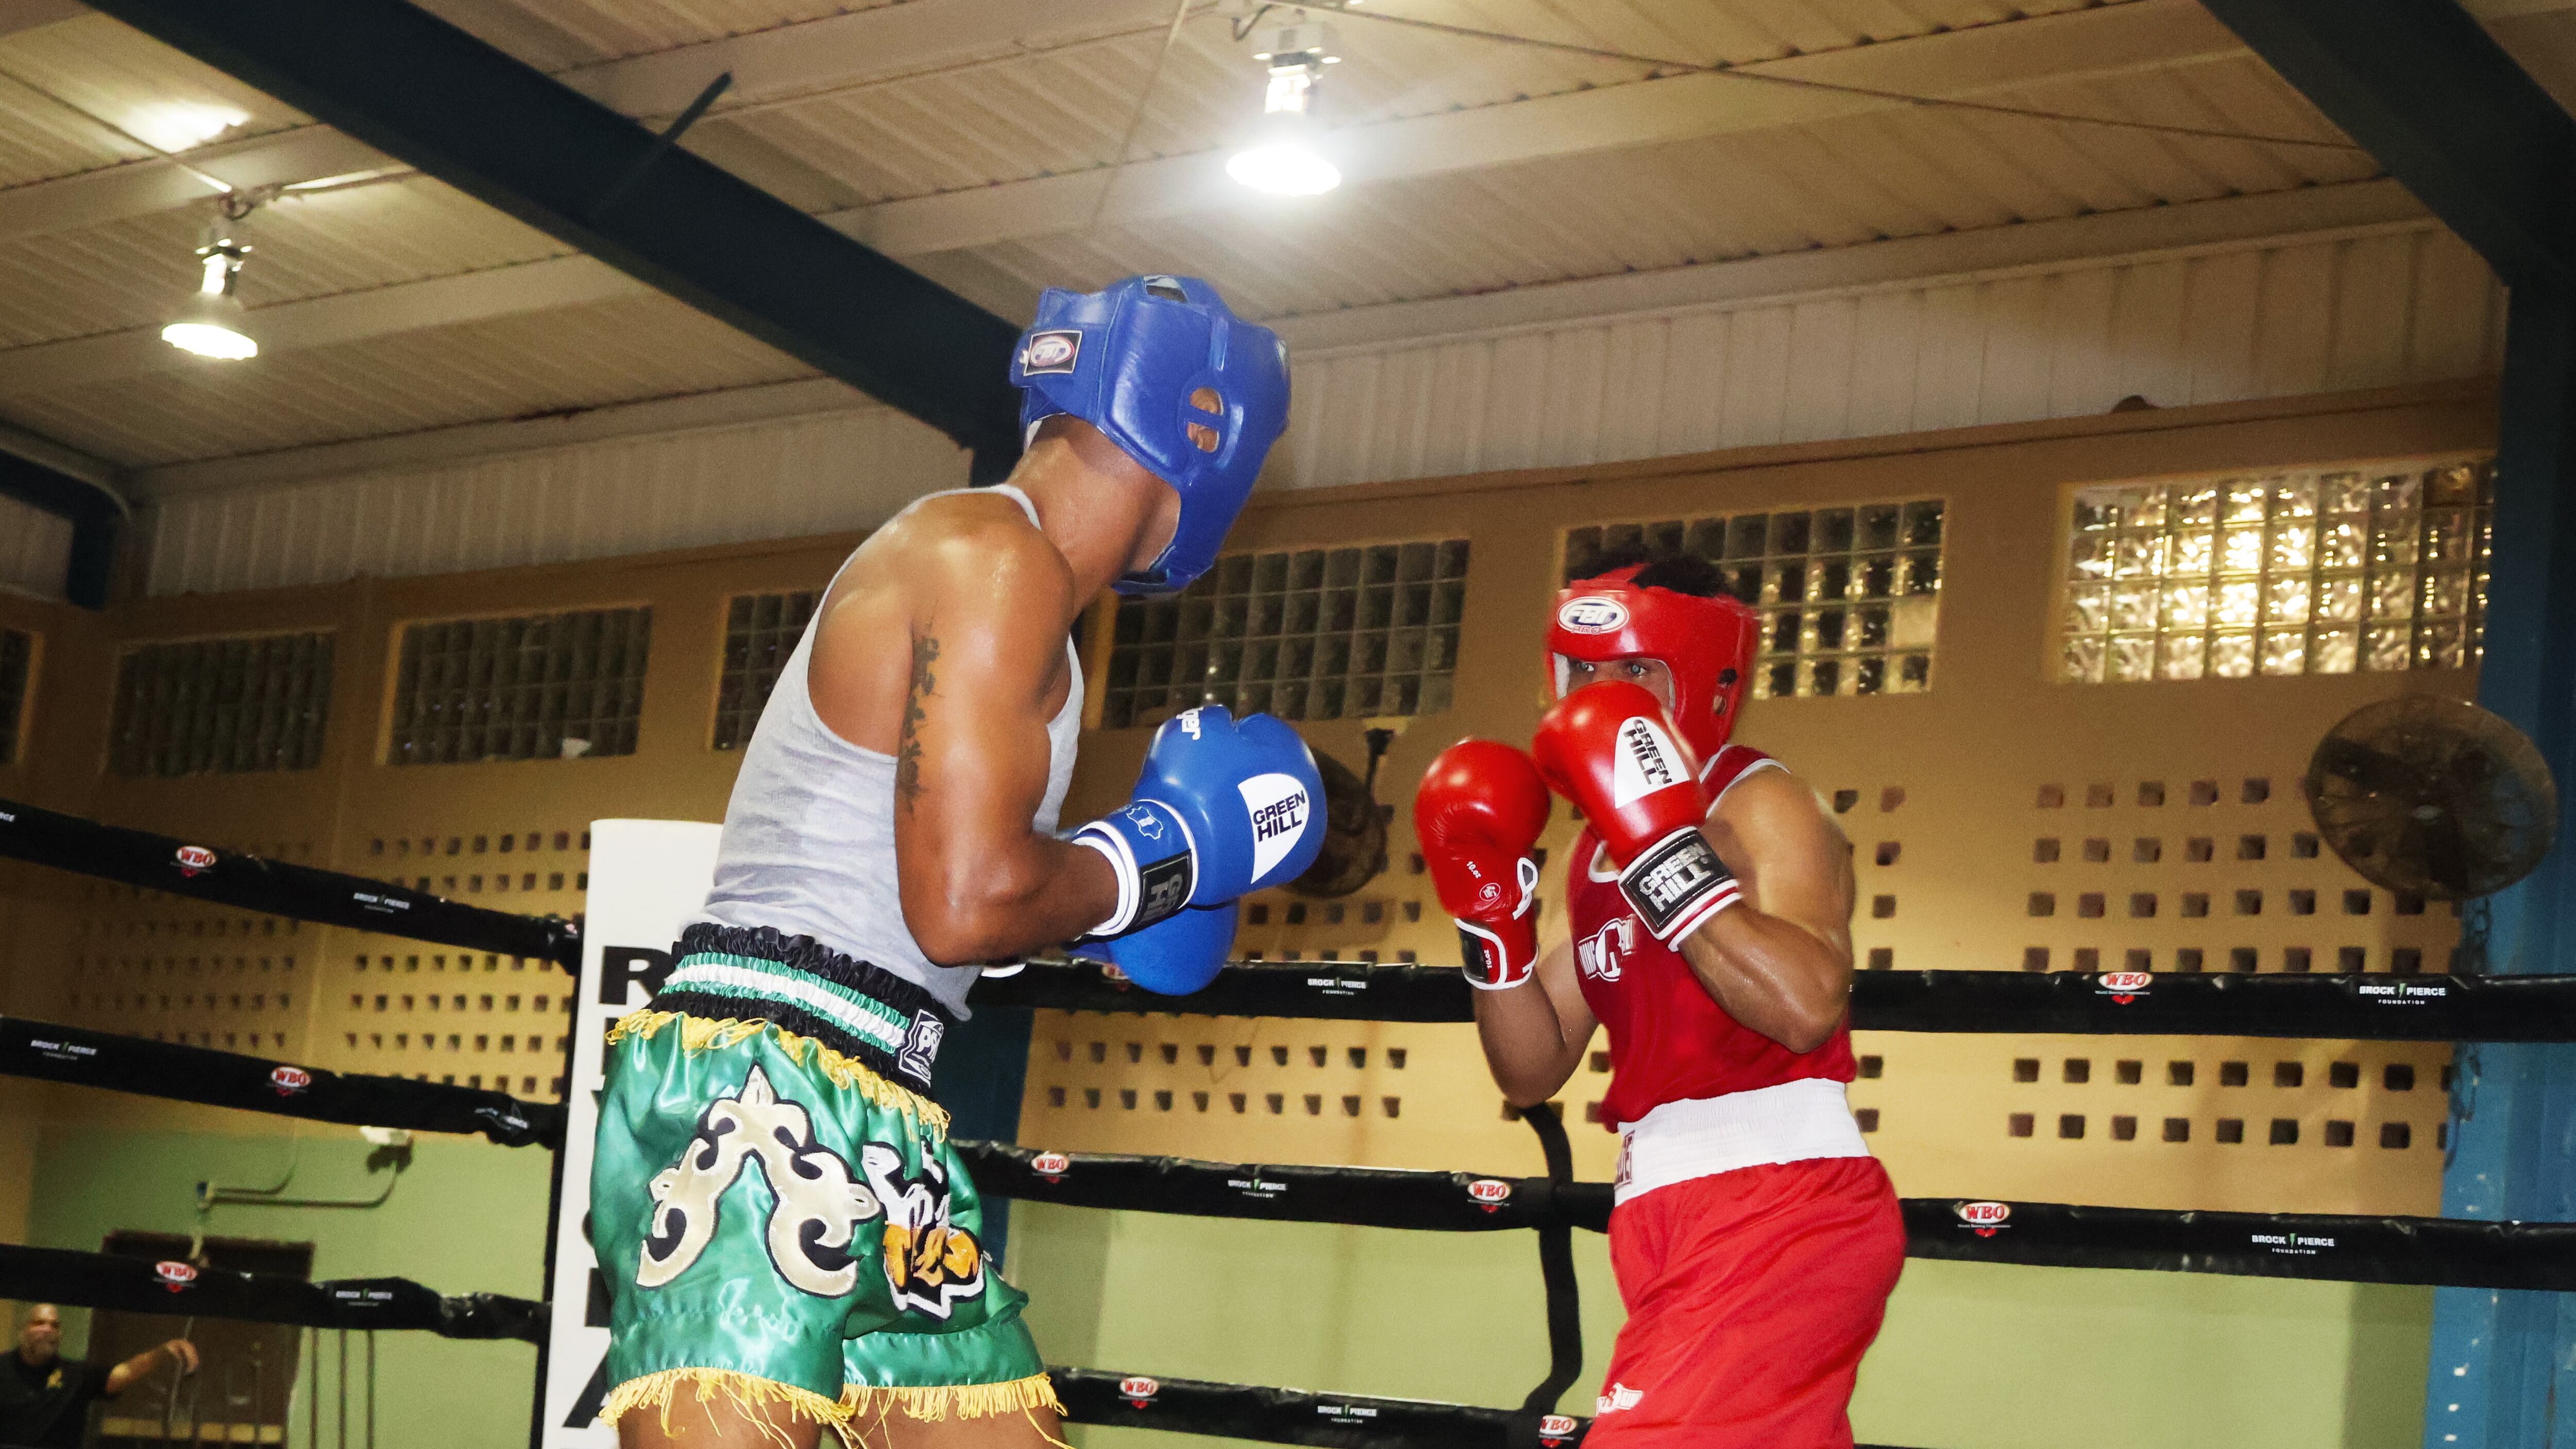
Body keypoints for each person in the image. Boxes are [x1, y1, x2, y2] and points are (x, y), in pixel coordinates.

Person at [588, 275, 1319, 1449]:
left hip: (884, 1087)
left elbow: (962, 896)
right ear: (1206, 435)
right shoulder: (990, 558)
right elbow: (966, 903)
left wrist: (1105, 889)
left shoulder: (1019, 600)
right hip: (764, 1075)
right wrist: (1159, 859)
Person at [1415, 551, 1904, 1447]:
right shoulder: (1593, 852)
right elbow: (1530, 1068)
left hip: (1778, 1203)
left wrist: (1661, 847)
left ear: (1702, 677)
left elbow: (1805, 1004)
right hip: (1662, 1210)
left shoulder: (1764, 802)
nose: (1605, 693)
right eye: (1586, 672)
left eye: (1635, 668)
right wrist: (1492, 920)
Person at [1, 1303, 197, 1449]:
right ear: (23, 1330)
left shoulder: (75, 1375)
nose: (47, 1330)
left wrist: (164, 1351)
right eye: (39, 1323)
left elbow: (124, 1373)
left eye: (55, 1325)